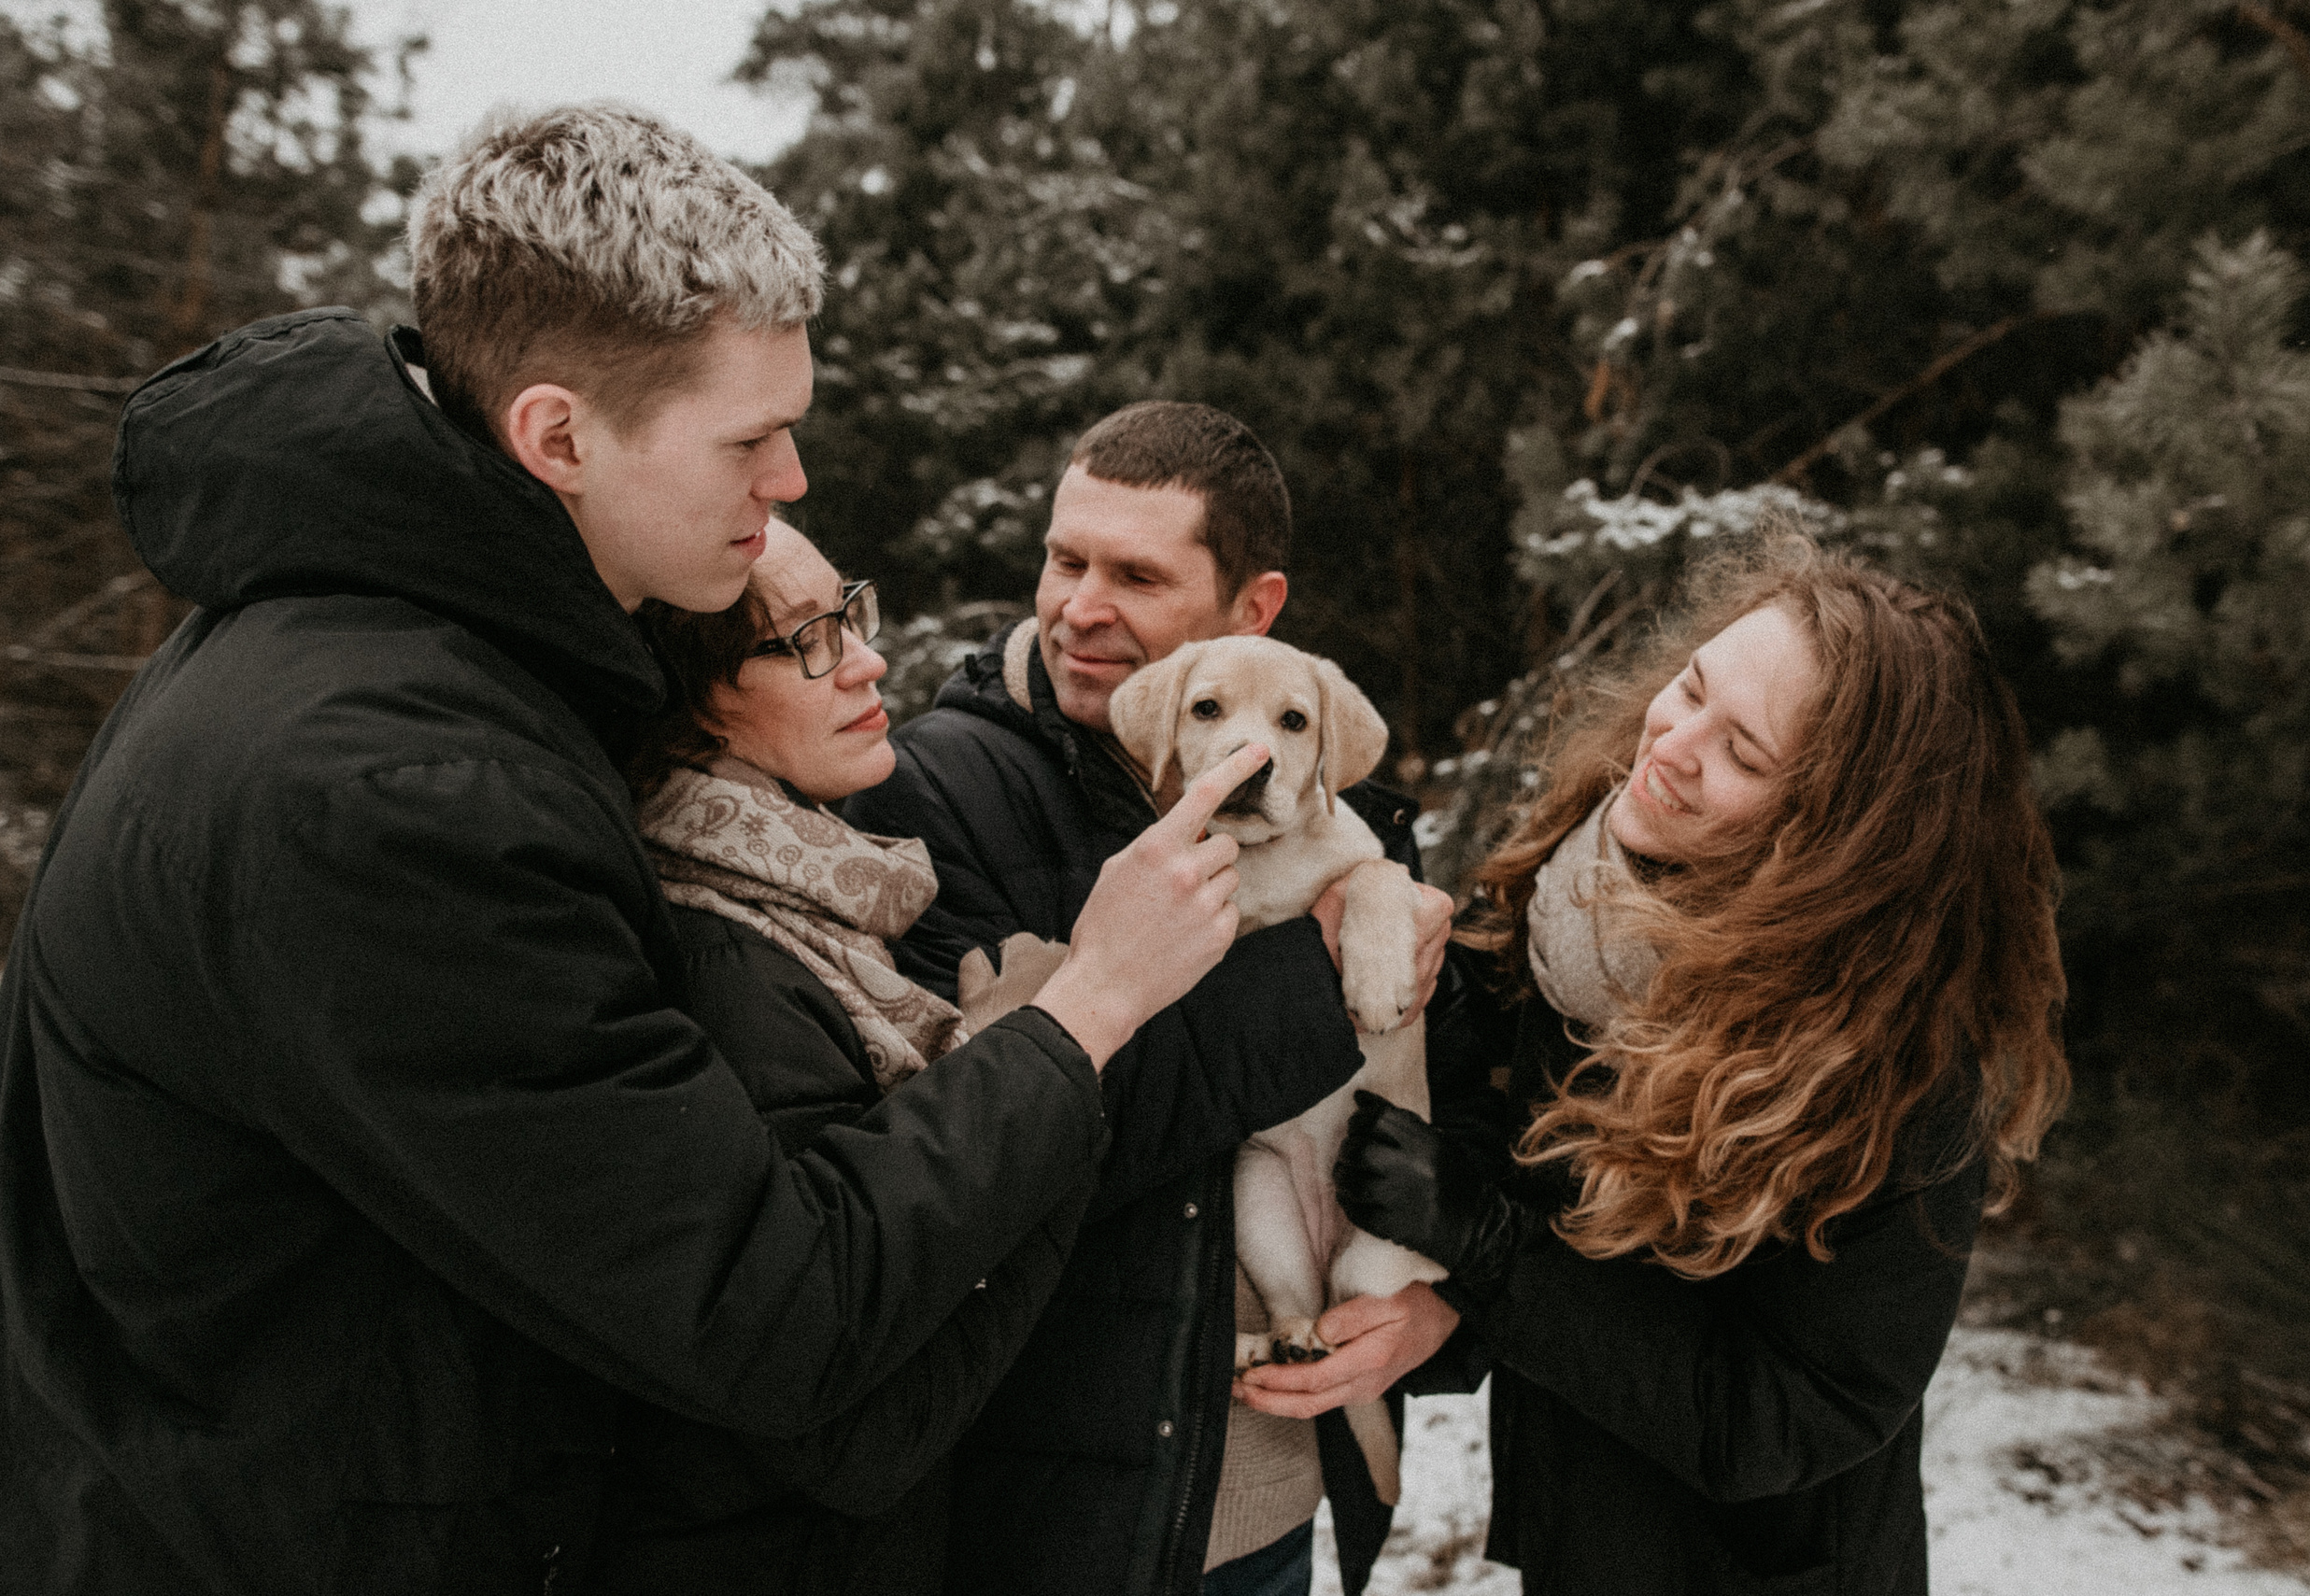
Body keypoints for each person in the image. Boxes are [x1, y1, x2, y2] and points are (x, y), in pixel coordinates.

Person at [0, 106, 1254, 1596]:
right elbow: (769, 1310)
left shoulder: (380, 638)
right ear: (556, 435)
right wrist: (1090, 1002)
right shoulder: (402, 793)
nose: (789, 480)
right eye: (748, 438)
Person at [1333, 530, 2072, 1596]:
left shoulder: (1897, 1072)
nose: (1671, 743)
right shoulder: (1584, 902)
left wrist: (1487, 1250)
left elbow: (1784, 1410)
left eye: (1744, 752)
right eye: (1689, 688)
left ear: (1837, 837)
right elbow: (1521, 1154)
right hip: (1588, 1540)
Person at [843, 401, 1468, 1596]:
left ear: (1254, 608)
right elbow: (996, 1155)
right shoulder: (935, 795)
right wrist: (1311, 978)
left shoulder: (1351, 815)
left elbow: (1447, 1095)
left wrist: (1445, 1316)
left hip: (1263, 1508)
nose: (1080, 606)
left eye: (1134, 574)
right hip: (1043, 1526)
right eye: (1064, 560)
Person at [588, 519, 1098, 1594]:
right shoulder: (720, 953)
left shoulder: (817, 899)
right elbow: (854, 1428)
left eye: (850, 610)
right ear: (691, 700)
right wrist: (1044, 1058)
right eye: (804, 639)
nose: (865, 656)